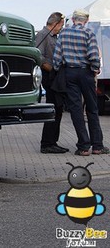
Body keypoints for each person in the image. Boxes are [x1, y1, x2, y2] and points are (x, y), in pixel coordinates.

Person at [53, 9, 109, 156]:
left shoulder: (63, 33)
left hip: (70, 73)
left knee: (76, 110)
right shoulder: (88, 33)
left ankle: (83, 146)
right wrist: (95, 69)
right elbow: (93, 55)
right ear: (87, 20)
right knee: (92, 109)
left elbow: (57, 56)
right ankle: (97, 146)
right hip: (86, 73)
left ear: (72, 19)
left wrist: (58, 68)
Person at [36, 12, 68, 153]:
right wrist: (48, 66)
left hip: (55, 76)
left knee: (58, 109)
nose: (61, 27)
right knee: (54, 108)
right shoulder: (43, 35)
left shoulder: (54, 37)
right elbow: (37, 53)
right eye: (61, 24)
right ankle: (47, 144)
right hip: (49, 76)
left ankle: (53, 141)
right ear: (55, 23)